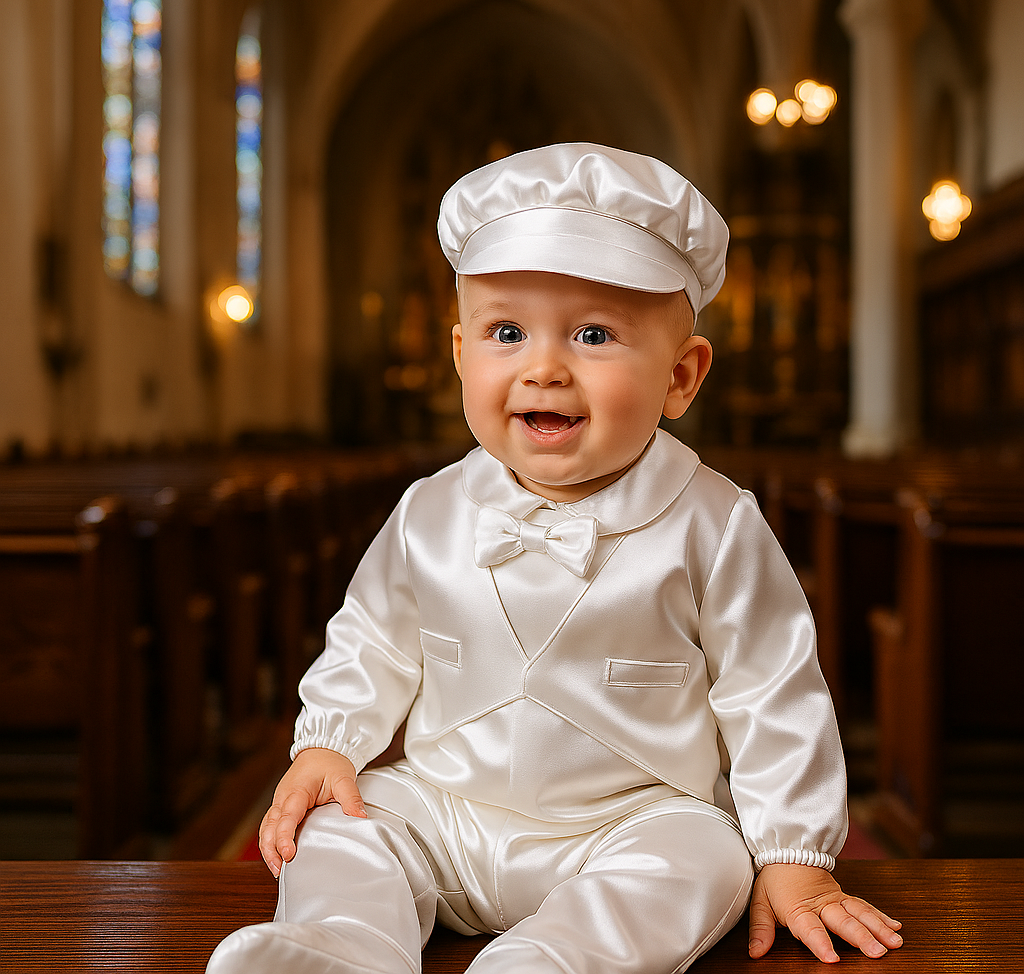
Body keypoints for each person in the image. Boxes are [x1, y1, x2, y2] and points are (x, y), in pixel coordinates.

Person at [207, 143, 903, 974]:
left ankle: (554, 960)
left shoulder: (714, 523)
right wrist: (330, 742)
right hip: (449, 811)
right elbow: (372, 639)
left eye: (594, 334)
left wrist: (795, 854)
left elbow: (773, 687)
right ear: (462, 354)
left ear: (680, 378)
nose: (544, 367)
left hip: (631, 821)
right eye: (508, 332)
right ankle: (347, 948)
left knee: (707, 857)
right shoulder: (428, 509)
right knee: (344, 825)